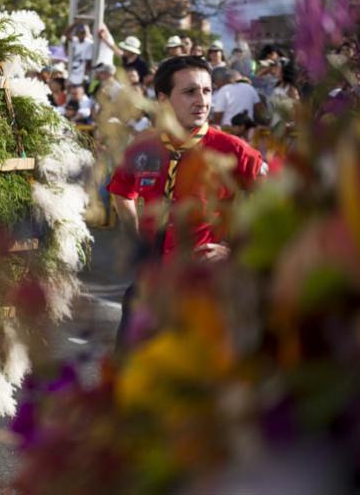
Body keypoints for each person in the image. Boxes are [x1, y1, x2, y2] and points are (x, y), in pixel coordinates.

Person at [107, 57, 264, 348]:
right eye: (190, 92)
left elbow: (272, 206)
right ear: (164, 100)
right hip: (150, 284)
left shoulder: (236, 152)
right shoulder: (144, 146)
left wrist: (232, 248)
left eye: (207, 91)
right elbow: (120, 191)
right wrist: (136, 236)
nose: (202, 101)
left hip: (206, 286)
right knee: (129, 372)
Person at [210, 68, 261, 135]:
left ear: (220, 80)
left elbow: (218, 114)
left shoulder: (224, 90)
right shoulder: (249, 88)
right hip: (247, 130)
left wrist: (216, 130)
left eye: (216, 82)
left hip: (229, 130)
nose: (215, 85)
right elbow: (259, 109)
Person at [63, 22, 95, 88]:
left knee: (79, 88)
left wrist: (85, 75)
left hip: (81, 71)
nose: (81, 34)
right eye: (79, 32)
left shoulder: (89, 43)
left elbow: (88, 61)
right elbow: (65, 34)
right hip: (73, 68)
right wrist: (75, 23)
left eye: (83, 32)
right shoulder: (76, 40)